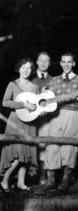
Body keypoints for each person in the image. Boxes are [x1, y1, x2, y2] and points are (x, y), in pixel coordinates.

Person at [36, 53, 78, 195]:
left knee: (69, 147)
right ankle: (50, 182)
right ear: (60, 63)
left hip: (72, 115)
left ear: (74, 63)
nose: (66, 64)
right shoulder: (54, 80)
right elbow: (47, 98)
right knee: (52, 146)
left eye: (69, 62)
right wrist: (44, 95)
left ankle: (65, 182)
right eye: (63, 61)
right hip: (56, 115)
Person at [0, 58, 38, 192]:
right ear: (19, 69)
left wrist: (40, 110)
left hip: (30, 123)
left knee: (25, 155)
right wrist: (23, 104)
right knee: (17, 154)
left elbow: (38, 107)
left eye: (28, 68)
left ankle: (21, 183)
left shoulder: (35, 87)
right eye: (23, 67)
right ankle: (5, 180)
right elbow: (5, 102)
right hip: (15, 122)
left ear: (31, 70)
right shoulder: (12, 84)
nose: (26, 70)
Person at [32, 52, 53, 185]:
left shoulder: (53, 79)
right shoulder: (30, 78)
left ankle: (44, 175)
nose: (44, 63)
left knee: (45, 145)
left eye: (47, 60)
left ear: (50, 63)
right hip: (32, 119)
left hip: (47, 119)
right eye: (41, 60)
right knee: (33, 146)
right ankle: (32, 175)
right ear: (37, 62)